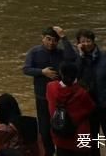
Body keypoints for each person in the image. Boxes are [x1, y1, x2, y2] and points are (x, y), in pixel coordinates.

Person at [25, 25, 78, 156]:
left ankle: (62, 151)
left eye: (54, 40)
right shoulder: (34, 52)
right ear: (42, 38)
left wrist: (64, 37)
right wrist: (42, 72)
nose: (51, 43)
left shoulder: (60, 53)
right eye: (48, 39)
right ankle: (49, 152)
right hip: (42, 97)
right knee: (44, 129)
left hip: (60, 98)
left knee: (62, 126)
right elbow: (26, 69)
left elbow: (72, 57)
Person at [46, 61, 95, 155]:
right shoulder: (82, 92)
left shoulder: (50, 87)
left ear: (61, 73)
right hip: (79, 137)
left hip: (60, 135)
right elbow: (90, 107)